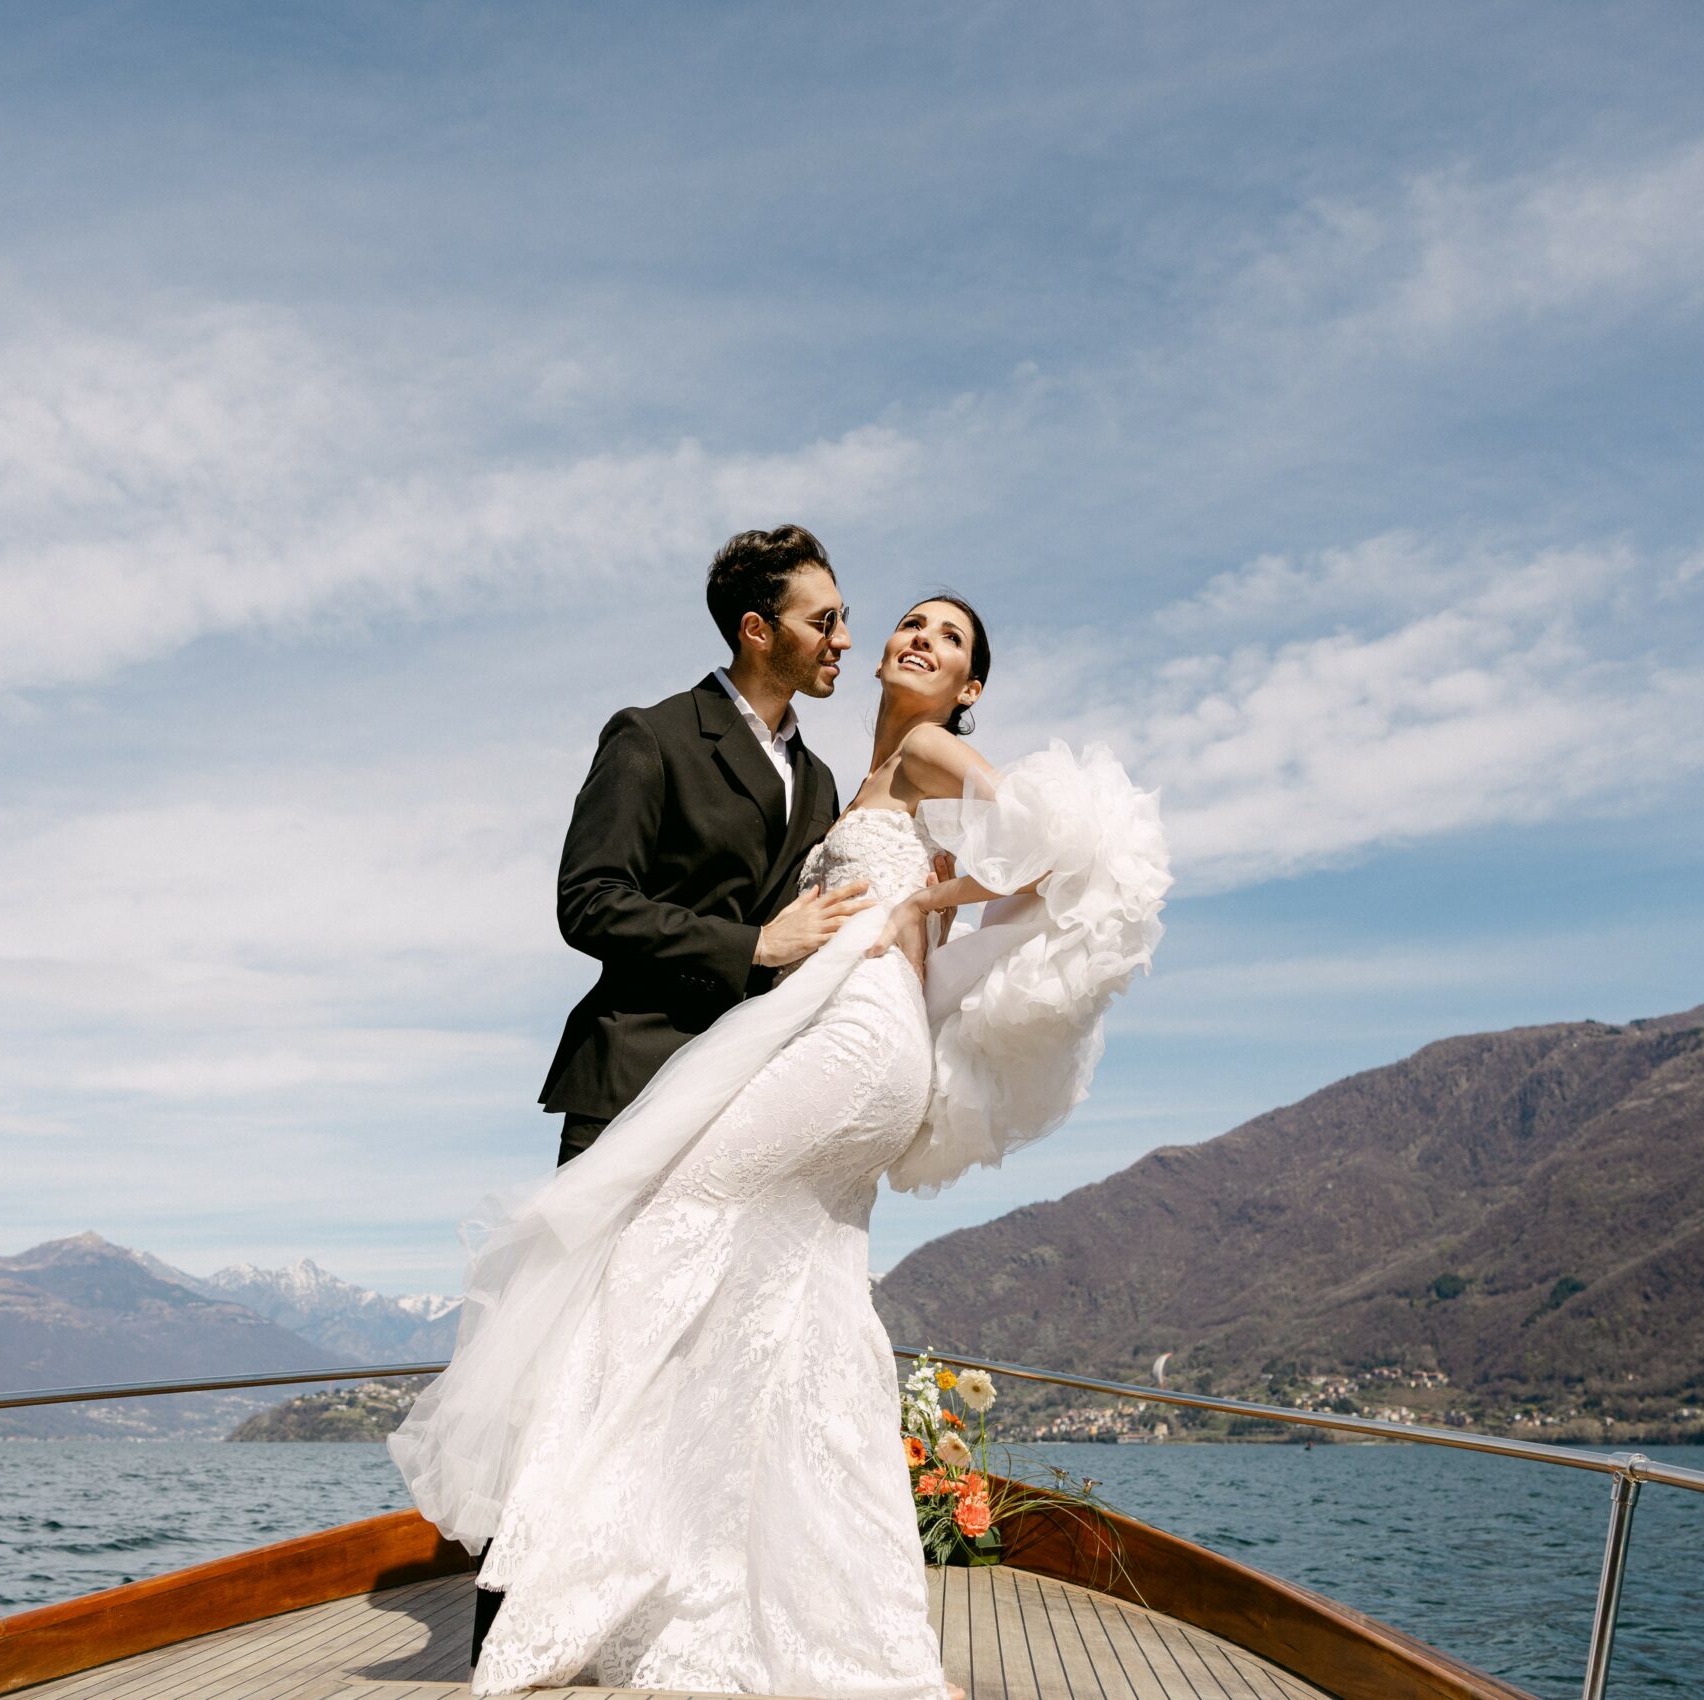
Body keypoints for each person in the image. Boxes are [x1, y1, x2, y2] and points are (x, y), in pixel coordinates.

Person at [392, 592, 1170, 1700]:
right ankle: (790, 1596)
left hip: (860, 1036)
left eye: (947, 639)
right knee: (805, 1300)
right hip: (860, 1040)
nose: (913, 639)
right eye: (908, 623)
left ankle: (614, 1558)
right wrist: (928, 893)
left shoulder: (931, 751)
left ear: (970, 689)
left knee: (667, 1221)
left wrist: (928, 895)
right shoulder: (858, 780)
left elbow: (1050, 851)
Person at [538, 523, 869, 1168]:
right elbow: (589, 902)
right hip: (636, 1081)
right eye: (824, 621)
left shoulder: (819, 778)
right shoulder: (651, 737)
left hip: (753, 1096)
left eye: (844, 616)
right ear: (757, 630)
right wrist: (754, 945)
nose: (844, 639)